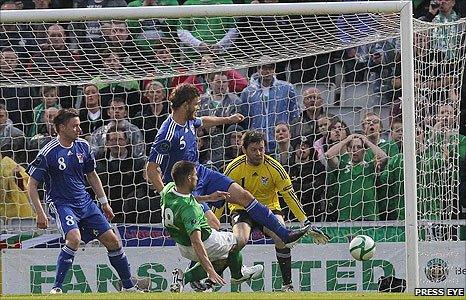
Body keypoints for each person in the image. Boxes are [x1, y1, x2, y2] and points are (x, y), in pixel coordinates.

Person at [146, 83, 312, 248]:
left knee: (244, 196)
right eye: (196, 104)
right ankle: (198, 272)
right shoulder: (167, 134)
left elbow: (203, 121)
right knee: (213, 225)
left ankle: (285, 235)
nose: (197, 107)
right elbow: (151, 169)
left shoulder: (188, 120)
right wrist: (166, 195)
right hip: (184, 185)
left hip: (200, 172)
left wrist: (228, 119)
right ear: (185, 105)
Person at [27, 108, 147, 294]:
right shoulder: (48, 152)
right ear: (61, 127)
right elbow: (31, 184)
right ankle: (56, 289)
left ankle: (128, 287)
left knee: (113, 241)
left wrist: (104, 202)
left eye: (79, 125)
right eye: (75, 126)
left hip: (85, 202)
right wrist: (40, 212)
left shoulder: (83, 146)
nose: (79, 129)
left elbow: (92, 175)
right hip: (62, 203)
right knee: (74, 238)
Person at [225, 131, 329, 292]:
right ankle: (214, 279)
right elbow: (221, 197)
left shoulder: (274, 168)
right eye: (254, 149)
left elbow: (289, 196)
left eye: (261, 148)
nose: (259, 153)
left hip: (269, 209)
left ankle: (287, 285)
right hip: (242, 209)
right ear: (244, 150)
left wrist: (305, 222)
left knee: (282, 238)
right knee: (239, 240)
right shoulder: (233, 168)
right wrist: (213, 221)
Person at [162, 160, 264, 292]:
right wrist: (210, 271)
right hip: (205, 242)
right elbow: (196, 242)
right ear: (188, 178)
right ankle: (238, 274)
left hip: (182, 246)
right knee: (238, 240)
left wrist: (209, 197)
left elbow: (186, 198)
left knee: (222, 256)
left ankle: (183, 278)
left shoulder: (168, 189)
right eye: (195, 175)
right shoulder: (190, 209)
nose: (197, 178)